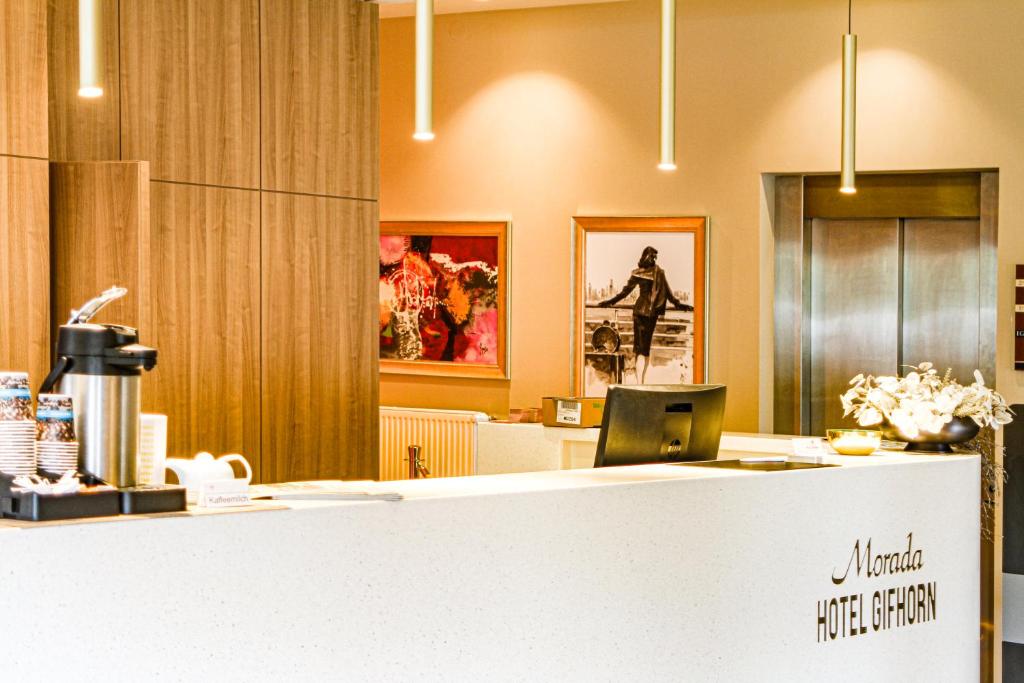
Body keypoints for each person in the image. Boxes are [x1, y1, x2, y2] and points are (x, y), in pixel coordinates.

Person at [596, 246, 692, 383]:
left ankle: (640, 382)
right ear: (648, 257)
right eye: (652, 256)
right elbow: (669, 295)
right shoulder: (657, 272)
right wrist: (680, 305)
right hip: (648, 315)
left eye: (654, 257)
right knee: (643, 350)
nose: (654, 259)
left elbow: (625, 293)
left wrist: (609, 302)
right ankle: (640, 382)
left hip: (642, 314)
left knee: (642, 350)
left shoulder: (642, 273)